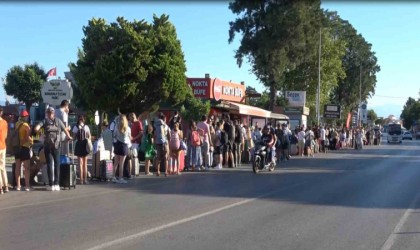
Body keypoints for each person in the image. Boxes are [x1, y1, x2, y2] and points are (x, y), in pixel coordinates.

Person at [34, 107, 73, 191]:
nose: (49, 114)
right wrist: (69, 136)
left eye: (49, 113)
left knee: (50, 164)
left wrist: (41, 134)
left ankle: (52, 184)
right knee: (56, 164)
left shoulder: (44, 121)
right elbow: (65, 130)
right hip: (56, 145)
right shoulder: (58, 121)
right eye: (49, 113)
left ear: (49, 113)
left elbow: (36, 128)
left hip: (48, 146)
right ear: (53, 113)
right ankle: (56, 184)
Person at [13, 110, 33, 191]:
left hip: (17, 147)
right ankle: (27, 185)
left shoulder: (16, 124)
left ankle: (18, 185)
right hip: (24, 147)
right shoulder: (25, 125)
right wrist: (31, 141)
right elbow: (28, 137)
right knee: (26, 168)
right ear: (26, 116)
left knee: (17, 167)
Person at [111, 115, 131, 184]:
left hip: (117, 144)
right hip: (124, 145)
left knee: (116, 162)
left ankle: (113, 177)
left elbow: (114, 135)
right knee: (121, 163)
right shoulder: (128, 128)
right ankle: (120, 178)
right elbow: (129, 137)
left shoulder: (117, 127)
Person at [72, 115, 91, 185]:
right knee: (85, 164)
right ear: (83, 120)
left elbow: (73, 138)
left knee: (80, 163)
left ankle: (81, 180)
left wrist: (71, 138)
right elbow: (89, 136)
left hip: (79, 145)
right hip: (85, 145)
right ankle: (85, 179)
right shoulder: (86, 127)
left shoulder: (75, 127)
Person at [129, 112, 143, 178]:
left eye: (130, 118)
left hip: (136, 142)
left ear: (133, 117)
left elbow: (141, 133)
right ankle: (133, 171)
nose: (129, 119)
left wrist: (134, 138)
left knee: (135, 157)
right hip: (131, 142)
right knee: (132, 157)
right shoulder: (132, 123)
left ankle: (136, 171)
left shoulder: (138, 123)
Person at [0, 107, 9, 194]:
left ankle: (0, 188)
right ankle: (6, 186)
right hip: (3, 146)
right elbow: (6, 136)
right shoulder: (5, 122)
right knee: (3, 167)